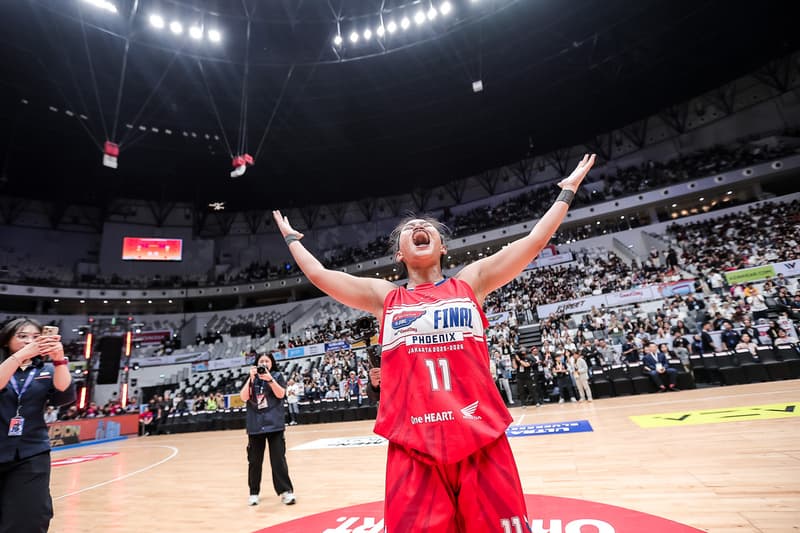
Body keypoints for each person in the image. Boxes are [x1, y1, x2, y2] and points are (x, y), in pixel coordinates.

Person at [272, 153, 596, 531]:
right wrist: (292, 239)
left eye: (426, 226)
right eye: (410, 228)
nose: (419, 226)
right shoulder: (385, 297)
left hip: (481, 437)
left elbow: (533, 242)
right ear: (399, 254)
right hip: (414, 445)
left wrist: (567, 192)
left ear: (442, 246)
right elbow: (320, 274)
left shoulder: (471, 282)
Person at [0, 318, 75, 533]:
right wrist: (20, 357)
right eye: (22, 336)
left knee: (30, 515)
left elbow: (64, 393)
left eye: (35, 337)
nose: (29, 341)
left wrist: (60, 360)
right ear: (6, 340)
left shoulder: (47, 370)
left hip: (31, 453)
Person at [239, 352, 295, 507]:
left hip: (274, 424)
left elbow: (281, 394)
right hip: (255, 425)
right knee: (254, 462)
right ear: (256, 364)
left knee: (278, 460)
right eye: (261, 361)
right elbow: (243, 397)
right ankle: (254, 493)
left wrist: (269, 379)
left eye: (267, 361)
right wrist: (251, 379)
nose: (264, 363)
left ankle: (286, 492)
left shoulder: (277, 376)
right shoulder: (251, 378)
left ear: (272, 363)